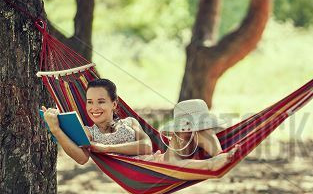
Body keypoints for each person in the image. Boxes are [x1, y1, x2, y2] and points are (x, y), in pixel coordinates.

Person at [42, 78, 237, 171]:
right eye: (90, 102)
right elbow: (81, 158)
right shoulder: (88, 132)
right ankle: (212, 164)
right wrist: (56, 129)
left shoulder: (130, 121)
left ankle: (219, 157)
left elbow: (146, 146)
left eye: (101, 102)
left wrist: (105, 147)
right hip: (149, 172)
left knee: (195, 127)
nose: (94, 108)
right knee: (173, 160)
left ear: (114, 104)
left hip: (159, 159)